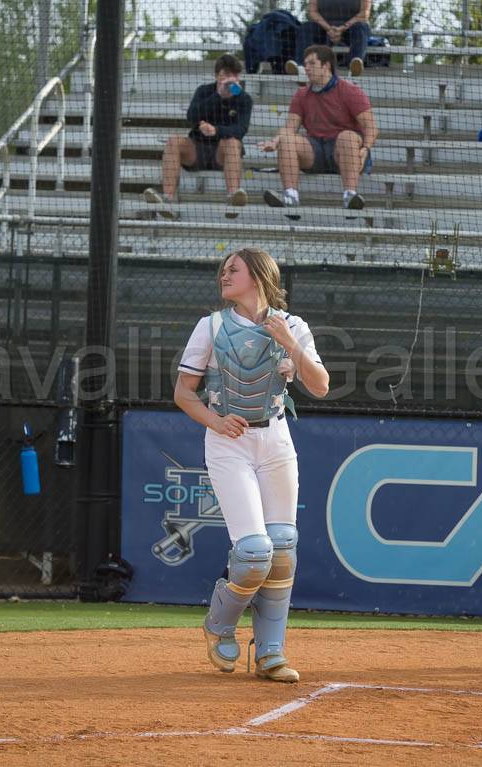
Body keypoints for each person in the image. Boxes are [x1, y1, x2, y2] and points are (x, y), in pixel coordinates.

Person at [174, 248, 330, 683]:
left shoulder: (292, 325)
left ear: (258, 276)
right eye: (223, 270)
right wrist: (216, 420)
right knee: (254, 551)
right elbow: (184, 393)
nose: (224, 276)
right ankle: (220, 625)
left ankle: (271, 652)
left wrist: (289, 343)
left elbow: (320, 386)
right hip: (230, 443)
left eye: (233, 269)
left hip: (275, 438)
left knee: (282, 547)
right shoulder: (210, 327)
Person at [260, 45, 377, 211]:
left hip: (346, 152)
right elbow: (289, 127)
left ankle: (350, 196)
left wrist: (366, 148)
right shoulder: (301, 94)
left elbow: (371, 127)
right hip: (317, 151)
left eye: (312, 63)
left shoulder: (351, 91)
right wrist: (276, 141)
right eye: (305, 64)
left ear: (326, 66)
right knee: (288, 140)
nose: (306, 68)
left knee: (347, 137)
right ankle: (290, 197)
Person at [143, 54, 253, 219]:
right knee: (174, 141)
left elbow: (241, 129)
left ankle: (232, 198)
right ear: (217, 76)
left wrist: (217, 130)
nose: (231, 79)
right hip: (197, 149)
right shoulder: (204, 91)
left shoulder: (244, 98)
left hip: (223, 154)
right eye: (226, 74)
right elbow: (192, 116)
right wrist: (218, 96)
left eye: (235, 75)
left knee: (232, 142)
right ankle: (167, 200)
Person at [287, 0, 373, 78]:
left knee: (361, 27)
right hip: (324, 27)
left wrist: (341, 28)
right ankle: (301, 69)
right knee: (307, 27)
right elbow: (312, 12)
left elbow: (364, 13)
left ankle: (354, 66)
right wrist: (329, 29)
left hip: (351, 28)